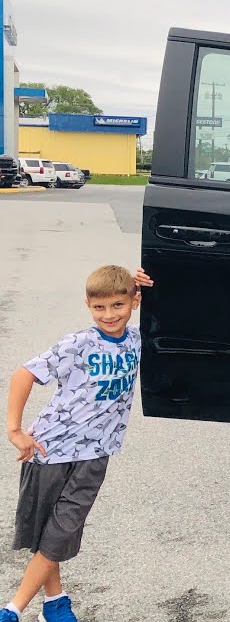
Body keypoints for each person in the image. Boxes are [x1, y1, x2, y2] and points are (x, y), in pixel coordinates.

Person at [3, 266, 142, 622]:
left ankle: (14, 610)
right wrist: (15, 430)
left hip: (95, 455)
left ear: (133, 302)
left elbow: (170, 306)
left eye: (117, 305)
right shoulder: (77, 344)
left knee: (61, 530)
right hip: (49, 451)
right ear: (87, 305)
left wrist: (148, 281)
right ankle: (53, 603)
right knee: (48, 533)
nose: (109, 315)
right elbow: (24, 374)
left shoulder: (138, 339)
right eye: (99, 308)